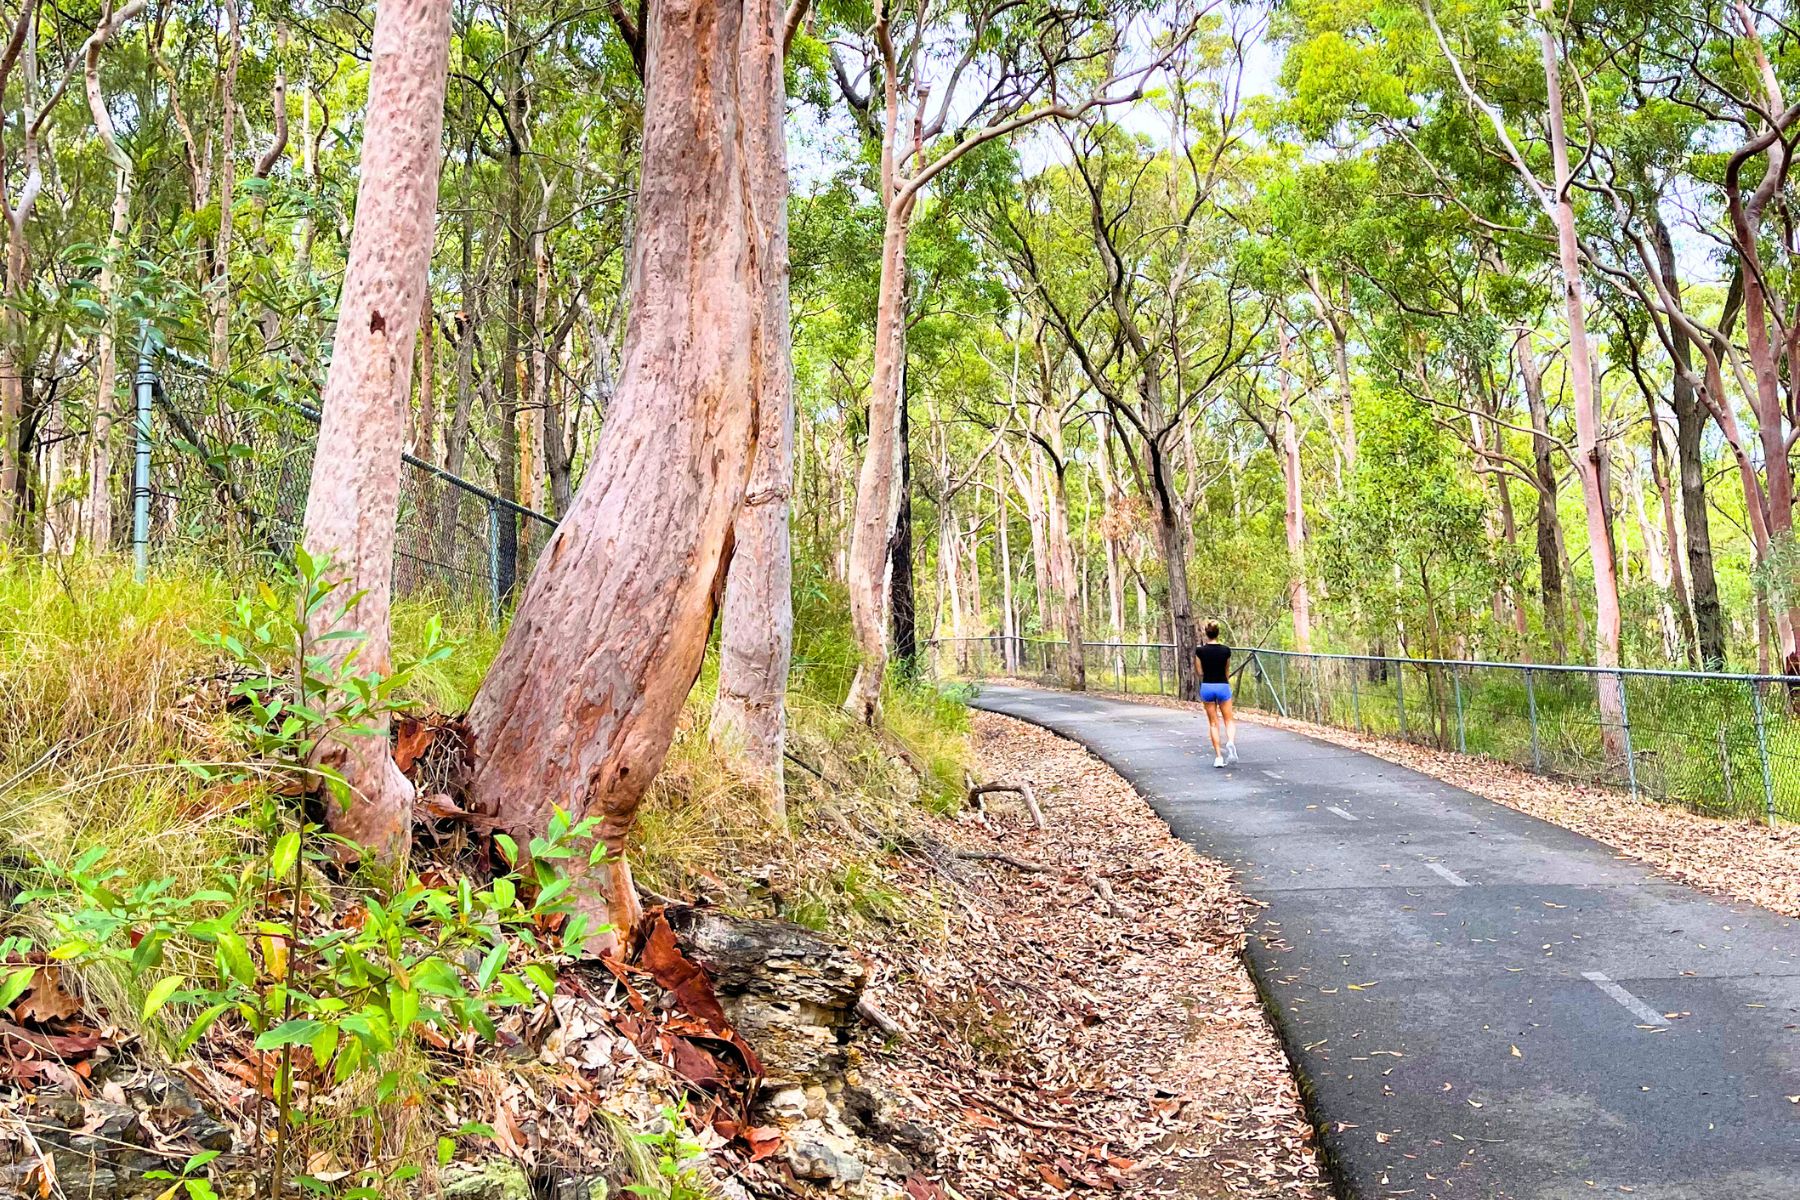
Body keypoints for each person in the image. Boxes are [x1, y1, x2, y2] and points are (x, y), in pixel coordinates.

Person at [1194, 621, 1237, 768]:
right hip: (1222, 685)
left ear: (1206, 633)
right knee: (1228, 720)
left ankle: (1218, 756)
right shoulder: (1226, 651)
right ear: (1218, 633)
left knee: (1213, 723)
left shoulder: (1200, 651)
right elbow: (1227, 670)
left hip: (1207, 686)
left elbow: (1199, 672)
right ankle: (1230, 741)